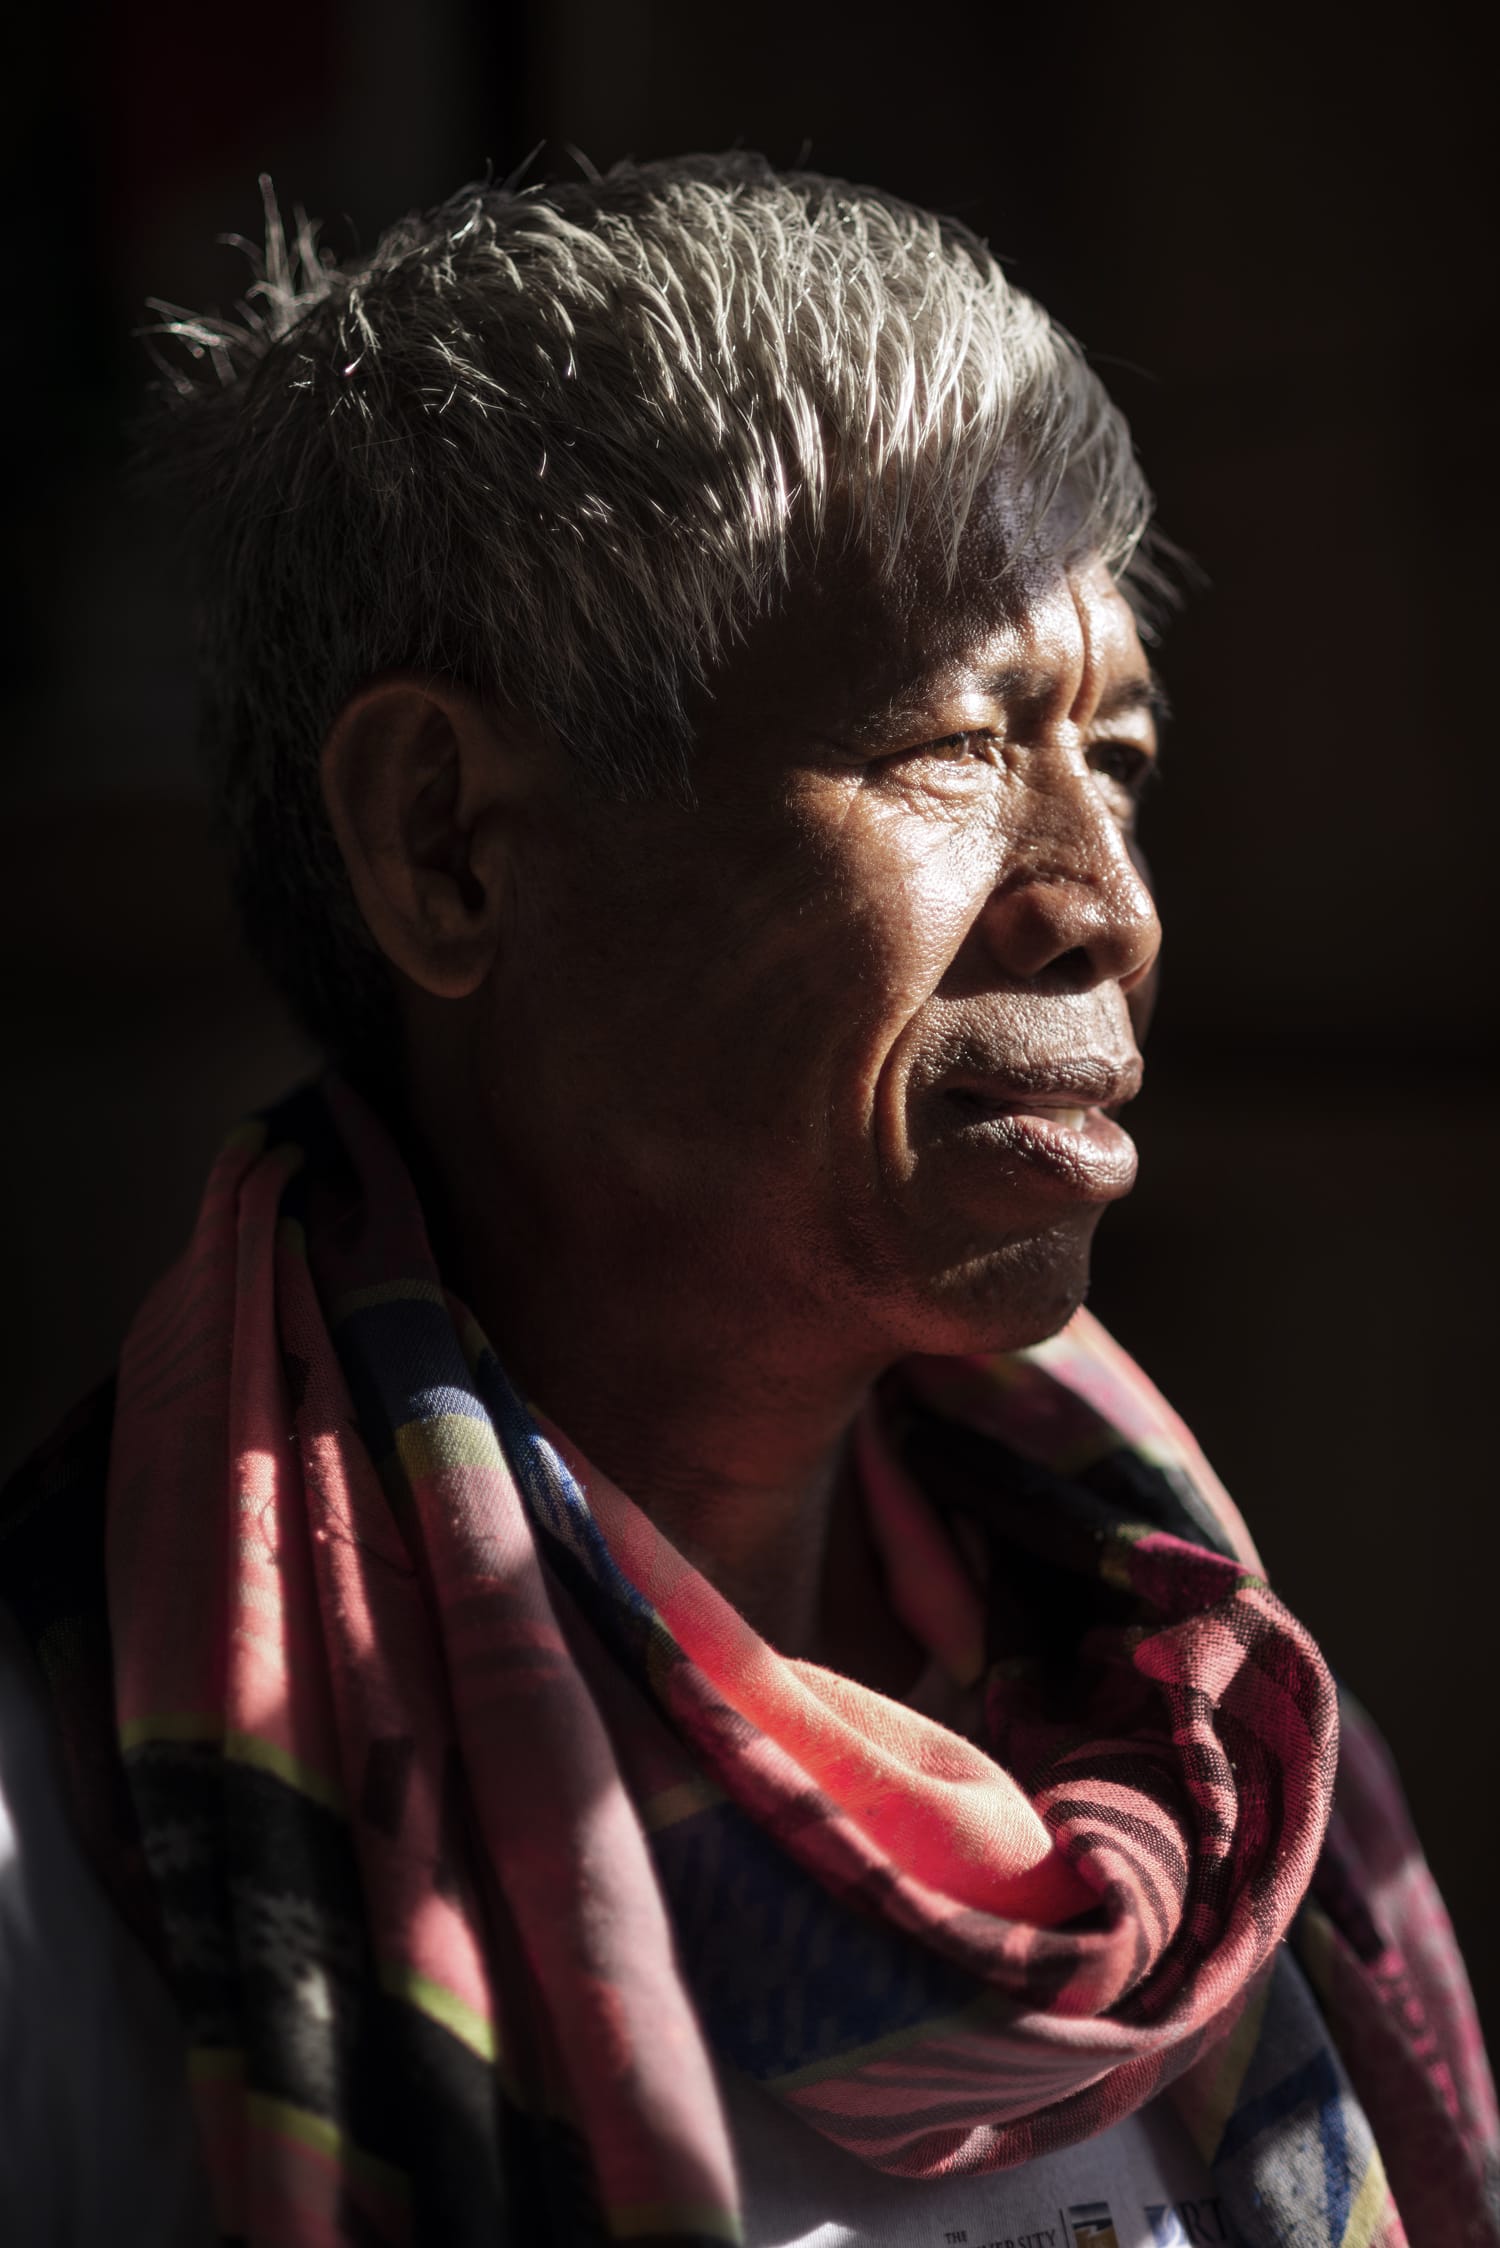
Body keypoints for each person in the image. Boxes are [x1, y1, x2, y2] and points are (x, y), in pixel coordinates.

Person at [0, 152, 1493, 2248]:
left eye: (1120, 756)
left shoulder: (1197, 1718)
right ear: (446, 845)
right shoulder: (88, 1843)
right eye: (948, 746)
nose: (1109, 910)